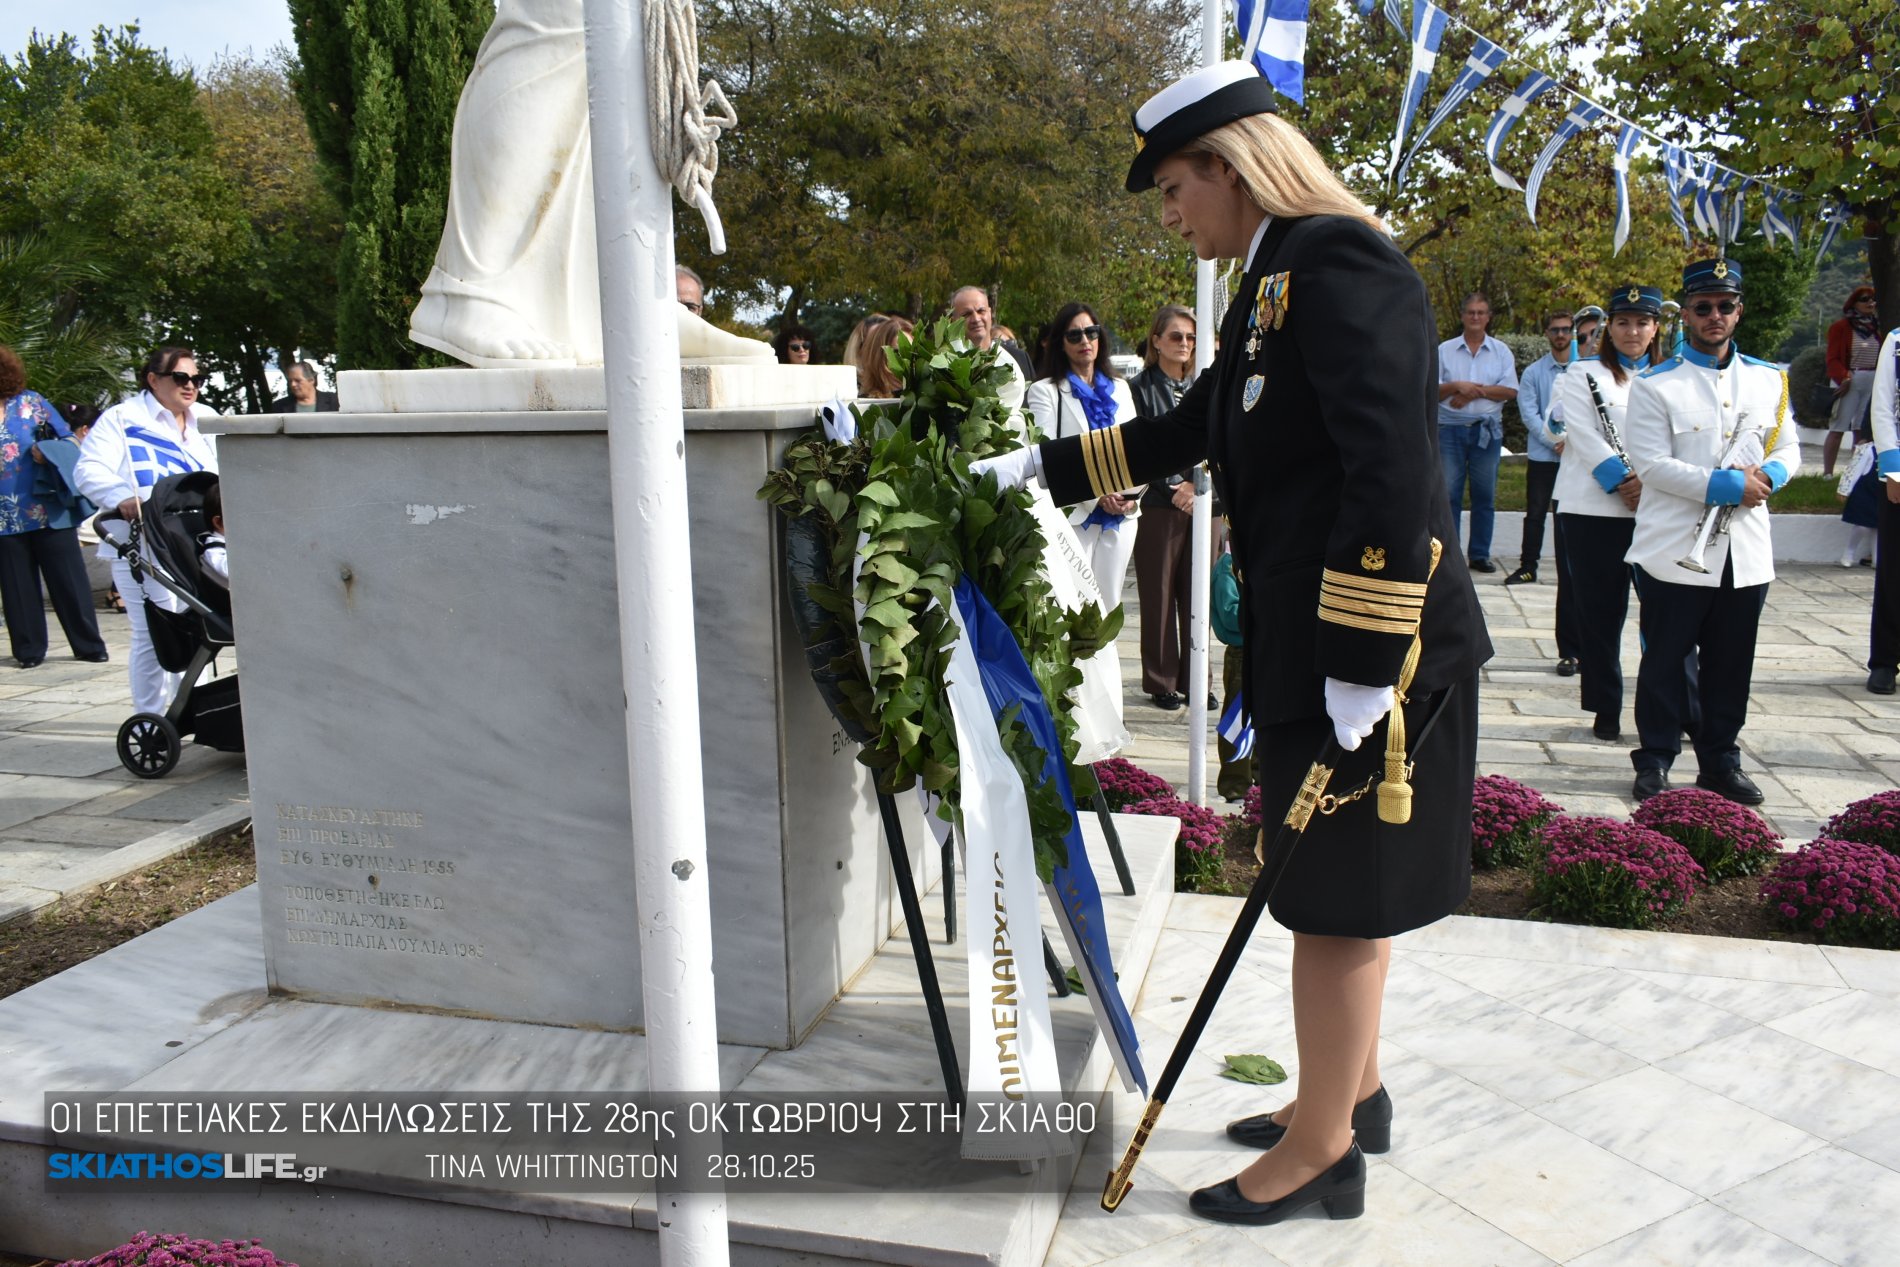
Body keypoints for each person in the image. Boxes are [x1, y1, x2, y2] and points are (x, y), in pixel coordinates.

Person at [972, 61, 1490, 1226]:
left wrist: (1363, 658)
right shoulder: (1272, 279)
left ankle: (1322, 1154)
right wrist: (1043, 472)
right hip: (1323, 644)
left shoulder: (1337, 261)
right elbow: (1206, 423)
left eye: (1171, 189)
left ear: (1228, 165)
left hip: (1377, 653)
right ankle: (1350, 1094)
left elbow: (1389, 472)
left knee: (1334, 903)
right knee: (1334, 888)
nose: (1169, 215)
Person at [1624, 259, 1798, 804]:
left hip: (1743, 552)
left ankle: (1721, 759)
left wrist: (1769, 475)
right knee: (1664, 663)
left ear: (1738, 311)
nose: (1715, 316)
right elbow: (1650, 464)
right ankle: (1654, 758)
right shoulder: (1657, 384)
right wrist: (1727, 486)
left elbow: (1787, 447)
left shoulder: (1770, 378)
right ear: (1687, 314)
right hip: (1674, 550)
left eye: (1725, 306)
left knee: (1731, 664)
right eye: (1704, 307)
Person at [1552, 285, 1680, 742]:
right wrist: (1623, 482)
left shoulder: (1673, 376)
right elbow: (1582, 434)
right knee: (1601, 616)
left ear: (1656, 327)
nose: (1632, 331)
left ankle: (1676, 705)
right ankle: (1606, 706)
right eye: (1623, 322)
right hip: (1593, 510)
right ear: (1610, 327)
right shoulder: (1582, 373)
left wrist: (1650, 484)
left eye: (1642, 322)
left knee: (1668, 617)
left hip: (1658, 507)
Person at [76, 346, 219, 715]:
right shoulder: (122, 419)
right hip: (142, 545)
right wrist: (120, 496)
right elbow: (88, 469)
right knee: (152, 632)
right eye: (181, 378)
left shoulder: (207, 418)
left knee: (201, 628)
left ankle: (192, 710)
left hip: (198, 545)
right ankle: (152, 717)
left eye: (196, 379)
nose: (190, 386)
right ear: (154, 380)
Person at [1024, 303, 1142, 607]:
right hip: (1075, 514)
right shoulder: (1044, 391)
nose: (1085, 341)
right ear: (1060, 344)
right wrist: (1096, 494)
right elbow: (1047, 455)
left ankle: (1108, 657)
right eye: (1074, 335)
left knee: (1110, 605)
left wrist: (1130, 495)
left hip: (1122, 514)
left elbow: (1135, 448)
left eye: (1091, 332)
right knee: (1074, 604)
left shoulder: (1120, 387)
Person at [0, 346, 110, 668]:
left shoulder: (31, 402)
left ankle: (89, 645)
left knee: (69, 581)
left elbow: (71, 441)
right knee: (17, 588)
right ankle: (29, 651)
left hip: (47, 507)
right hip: (3, 517)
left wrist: (45, 451)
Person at [1129, 304, 1201, 709]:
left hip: (1201, 501)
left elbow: (1216, 439)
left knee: (1197, 596)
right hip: (1158, 503)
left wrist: (1197, 484)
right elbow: (1141, 445)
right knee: (1157, 595)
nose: (1185, 344)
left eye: (1191, 337)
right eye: (1176, 336)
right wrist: (1173, 485)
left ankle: (1196, 678)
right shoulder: (1138, 388)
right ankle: (1160, 681)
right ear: (1156, 340)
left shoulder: (1203, 385)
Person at [1437, 292, 1518, 572]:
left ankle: (1479, 555)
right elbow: (1431, 391)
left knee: (1485, 495)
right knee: (1448, 495)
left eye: (1480, 312)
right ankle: (1450, 555)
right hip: (1449, 432)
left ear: (1488, 317)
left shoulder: (1501, 351)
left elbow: (1509, 391)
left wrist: (1471, 392)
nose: (1475, 317)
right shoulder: (1444, 350)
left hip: (1487, 434)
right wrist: (1455, 385)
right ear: (1462, 316)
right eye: (1470, 312)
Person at [1509, 310, 1577, 586]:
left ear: (1572, 332)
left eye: (1565, 329)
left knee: (1570, 514)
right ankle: (1528, 566)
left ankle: (1570, 568)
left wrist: (1572, 442)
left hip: (1575, 457)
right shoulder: (1534, 372)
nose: (1560, 335)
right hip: (1542, 456)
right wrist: (1555, 441)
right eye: (1555, 330)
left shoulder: (1584, 370)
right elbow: (1529, 414)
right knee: (1535, 512)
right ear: (1547, 333)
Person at [1866, 322, 1900, 694]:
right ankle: (1885, 660)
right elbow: (1883, 406)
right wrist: (1894, 469)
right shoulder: (1896, 341)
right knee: (1894, 570)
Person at [948, 286, 1029, 416]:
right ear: (953, 320)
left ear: (990, 313)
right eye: (966, 314)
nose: (976, 319)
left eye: (981, 311)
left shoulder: (1020, 359)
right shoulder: (945, 365)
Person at [1825, 287, 1880, 476]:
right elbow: (1832, 358)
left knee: (1861, 429)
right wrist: (1843, 376)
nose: (1870, 303)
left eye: (1873, 299)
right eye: (1865, 299)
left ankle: (1855, 473)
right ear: (1854, 303)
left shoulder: (1877, 327)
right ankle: (1828, 473)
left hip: (1872, 379)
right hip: (1849, 379)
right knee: (1838, 427)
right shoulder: (1841, 327)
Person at [855, 316, 914, 397]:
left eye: (912, 353)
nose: (906, 360)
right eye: (896, 353)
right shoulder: (861, 407)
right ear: (877, 358)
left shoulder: (930, 401)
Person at [267, 361, 338, 414]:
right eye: (290, 381)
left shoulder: (333, 401)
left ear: (311, 380)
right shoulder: (279, 406)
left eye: (297, 380)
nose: (293, 384)